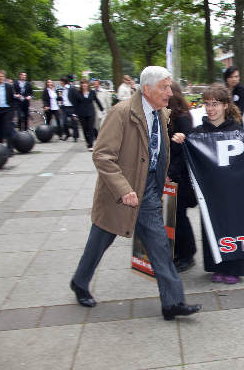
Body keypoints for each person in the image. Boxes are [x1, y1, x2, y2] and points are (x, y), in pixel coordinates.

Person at [70, 66, 201, 321]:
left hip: (148, 192)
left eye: (170, 85)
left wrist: (161, 173)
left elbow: (155, 151)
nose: (169, 91)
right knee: (99, 242)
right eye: (164, 87)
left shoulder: (161, 113)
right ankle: (80, 282)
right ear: (148, 89)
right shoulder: (121, 113)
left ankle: (172, 303)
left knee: (160, 246)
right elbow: (102, 156)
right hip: (119, 195)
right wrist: (124, 189)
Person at [196, 83, 244, 284]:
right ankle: (216, 266)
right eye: (207, 104)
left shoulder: (237, 131)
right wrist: (182, 140)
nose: (210, 108)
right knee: (212, 227)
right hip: (210, 191)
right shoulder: (199, 131)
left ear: (226, 105)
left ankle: (234, 268)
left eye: (215, 104)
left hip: (233, 191)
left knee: (234, 228)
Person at [167, 81, 198, 273]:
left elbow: (185, 149)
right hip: (173, 175)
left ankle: (187, 254)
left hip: (180, 176)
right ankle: (179, 252)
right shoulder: (170, 115)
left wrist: (170, 173)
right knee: (174, 215)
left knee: (179, 215)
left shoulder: (181, 117)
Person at [75, 79, 104, 151]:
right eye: (83, 84)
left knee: (90, 128)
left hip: (91, 112)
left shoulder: (92, 92)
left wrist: (102, 109)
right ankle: (88, 142)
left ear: (88, 85)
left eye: (85, 83)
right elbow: (76, 104)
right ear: (81, 85)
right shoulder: (78, 93)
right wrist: (74, 113)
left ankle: (91, 144)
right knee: (85, 129)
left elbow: (97, 101)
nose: (84, 85)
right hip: (81, 113)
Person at [59, 76, 79, 142]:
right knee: (64, 122)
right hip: (65, 108)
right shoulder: (62, 89)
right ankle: (67, 134)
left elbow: (76, 99)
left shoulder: (72, 89)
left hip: (72, 107)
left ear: (64, 82)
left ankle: (75, 137)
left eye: (61, 81)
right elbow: (61, 98)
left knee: (74, 122)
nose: (60, 83)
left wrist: (76, 110)